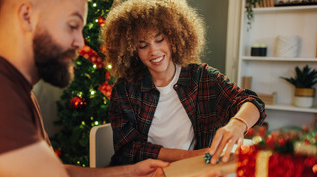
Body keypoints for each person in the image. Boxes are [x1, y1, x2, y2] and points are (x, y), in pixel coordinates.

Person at [0, 0, 226, 177]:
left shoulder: (17, 90)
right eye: (73, 25)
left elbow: (53, 176)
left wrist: (130, 173)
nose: (80, 42)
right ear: (27, 15)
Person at [102, 0, 266, 167]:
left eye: (159, 40)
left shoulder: (201, 77)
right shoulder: (124, 90)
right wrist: (188, 156)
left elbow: (252, 103)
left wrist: (237, 124)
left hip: (192, 175)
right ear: (131, 50)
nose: (154, 51)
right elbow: (128, 150)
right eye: (143, 45)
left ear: (173, 36)